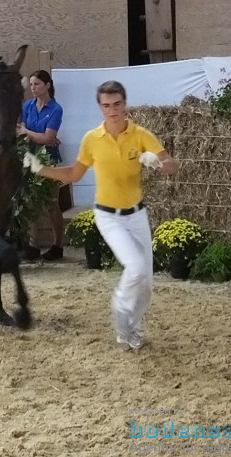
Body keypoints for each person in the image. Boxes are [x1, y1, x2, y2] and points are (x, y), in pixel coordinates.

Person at [24, 80, 179, 350]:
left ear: (125, 104)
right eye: (106, 105)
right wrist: (41, 169)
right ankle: (120, 309)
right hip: (108, 216)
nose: (112, 110)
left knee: (146, 283)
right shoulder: (92, 140)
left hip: (137, 214)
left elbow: (173, 165)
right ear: (100, 107)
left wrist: (157, 162)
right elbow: (73, 174)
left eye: (117, 104)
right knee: (135, 267)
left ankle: (131, 329)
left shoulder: (141, 135)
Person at [18, 70, 66, 261]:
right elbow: (18, 130)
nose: (33, 88)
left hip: (49, 160)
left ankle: (58, 245)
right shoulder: (27, 106)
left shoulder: (56, 109)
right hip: (30, 158)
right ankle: (32, 245)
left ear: (47, 85)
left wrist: (28, 132)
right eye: (31, 85)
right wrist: (38, 136)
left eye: (36, 84)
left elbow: (48, 138)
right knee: (30, 203)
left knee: (51, 204)